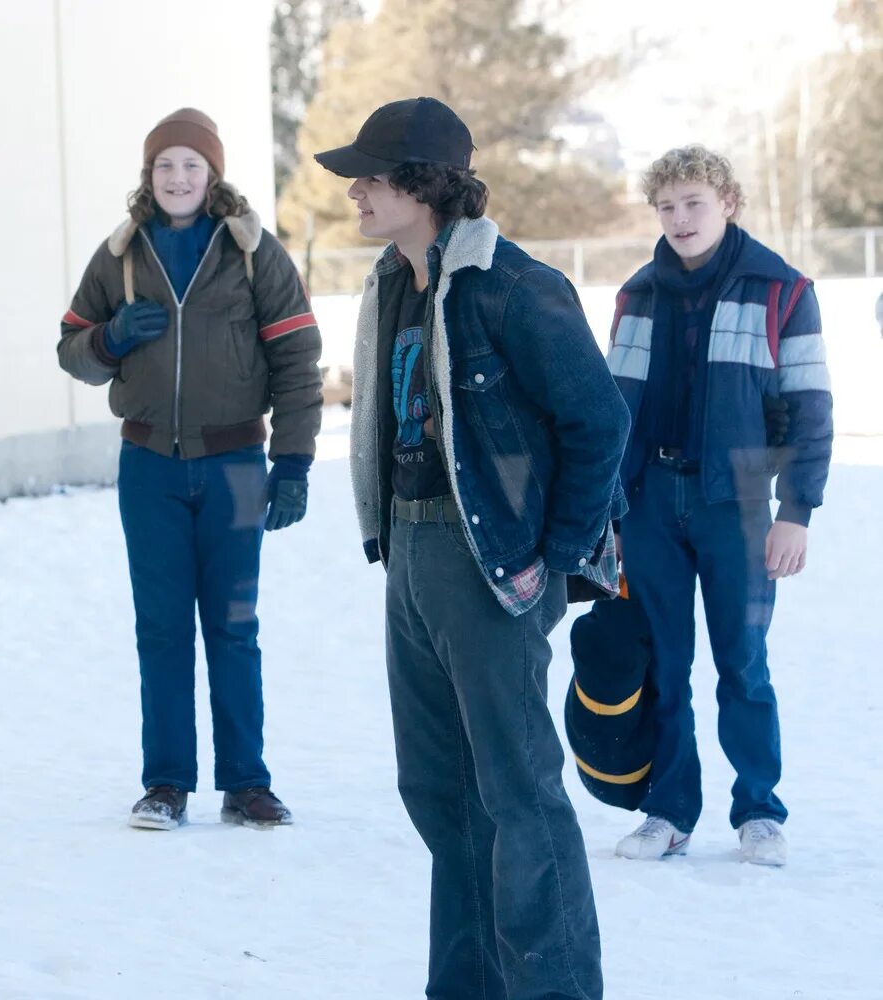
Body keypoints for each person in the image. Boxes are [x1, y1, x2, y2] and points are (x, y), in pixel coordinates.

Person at [317, 96, 628, 999]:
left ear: (424, 184)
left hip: (487, 565)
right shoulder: (391, 281)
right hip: (409, 561)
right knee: (441, 799)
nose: (355, 195)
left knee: (519, 799)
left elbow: (600, 423)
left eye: (369, 178)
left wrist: (555, 562)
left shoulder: (514, 286)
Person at [57, 108, 322, 830]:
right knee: (163, 628)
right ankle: (166, 783)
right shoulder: (120, 255)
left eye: (192, 166)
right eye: (166, 165)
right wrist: (109, 339)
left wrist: (293, 460)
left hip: (236, 462)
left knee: (234, 626)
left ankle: (247, 783)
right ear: (150, 175)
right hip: (148, 468)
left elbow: (298, 361)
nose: (178, 177)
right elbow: (71, 348)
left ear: (214, 175)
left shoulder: (251, 252)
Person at [606, 145, 833, 867]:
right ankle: (668, 811)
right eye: (666, 206)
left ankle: (759, 812)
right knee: (666, 668)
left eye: (693, 202)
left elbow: (808, 407)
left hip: (735, 505)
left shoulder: (784, 290)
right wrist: (608, 509)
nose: (679, 219)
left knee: (742, 664)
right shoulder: (636, 294)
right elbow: (613, 413)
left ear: (728, 201)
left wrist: (796, 510)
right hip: (648, 507)